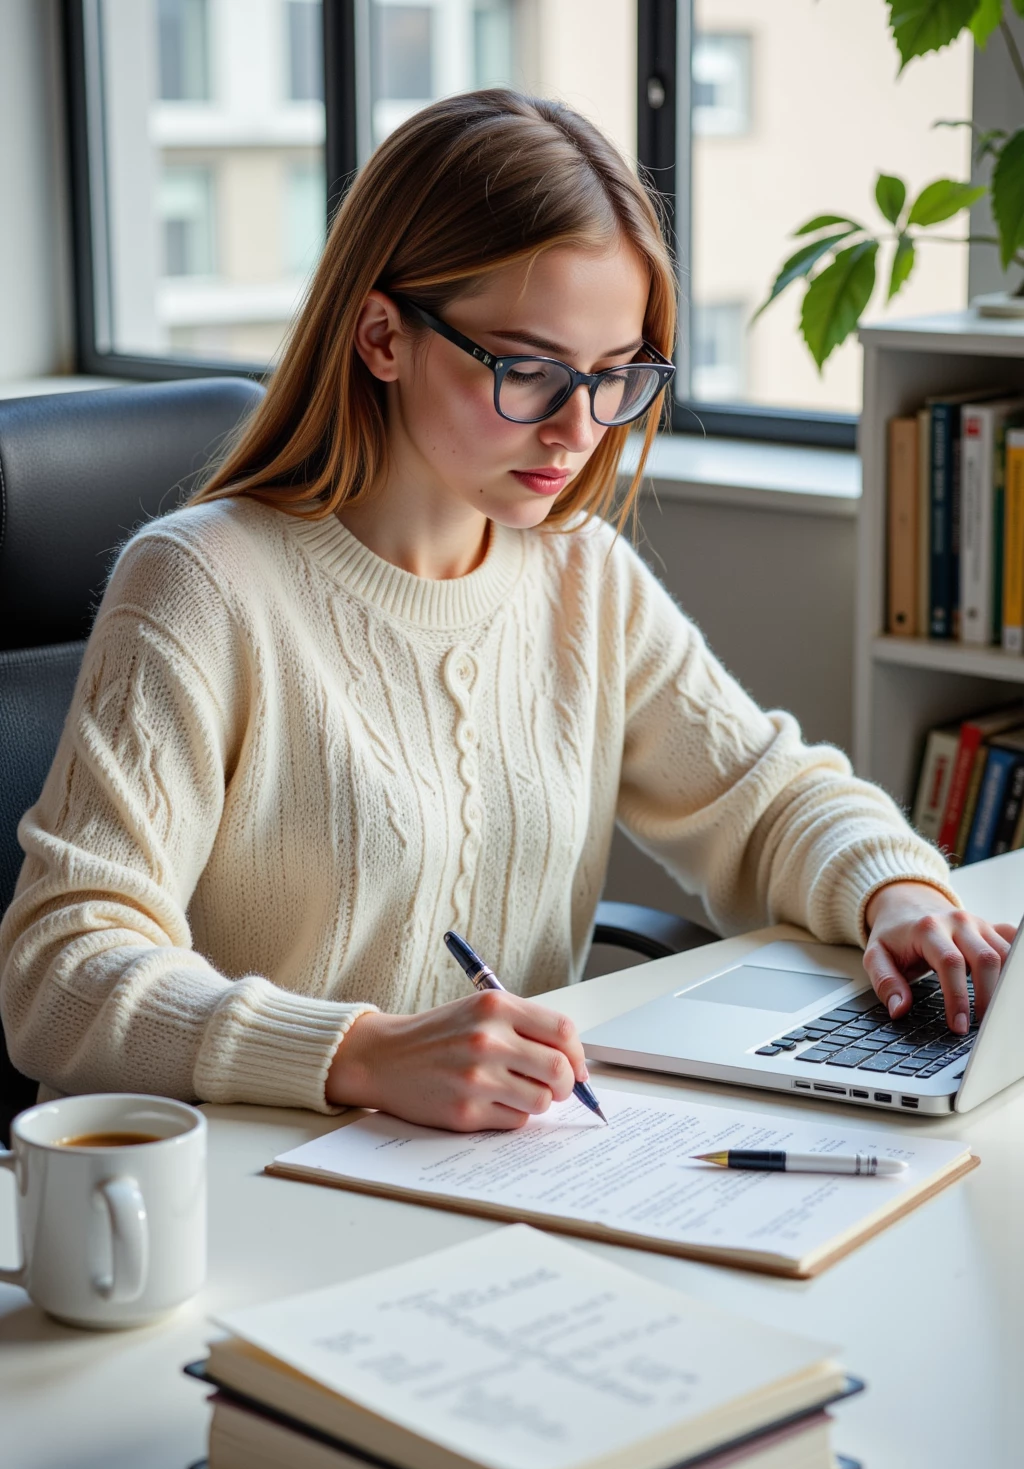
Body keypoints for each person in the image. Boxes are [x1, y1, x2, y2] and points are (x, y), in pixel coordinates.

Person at [0, 90, 1014, 1132]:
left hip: (494, 1176)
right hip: (232, 1190)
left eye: (616, 375)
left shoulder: (582, 577)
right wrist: (359, 1053)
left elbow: (760, 795)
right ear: (382, 335)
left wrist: (897, 894)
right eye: (528, 371)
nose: (578, 429)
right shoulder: (202, 585)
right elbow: (60, 972)